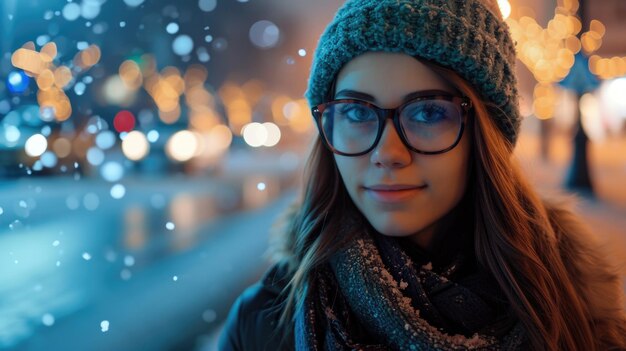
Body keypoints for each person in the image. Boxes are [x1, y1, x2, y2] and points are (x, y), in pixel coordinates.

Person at [218, 0, 626, 349]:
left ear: (485, 139)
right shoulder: (264, 324)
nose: (388, 153)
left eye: (428, 111)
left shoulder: (575, 309)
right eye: (358, 112)